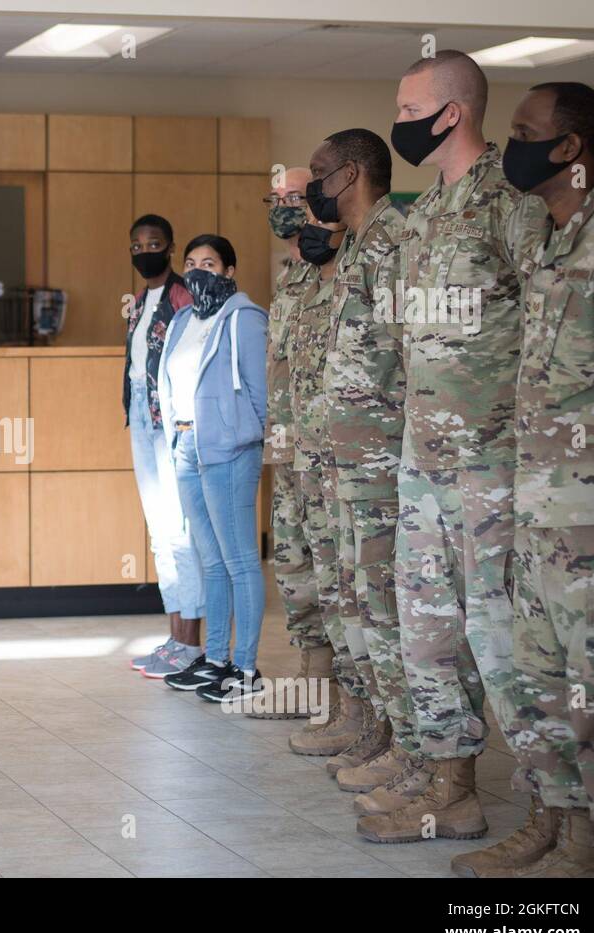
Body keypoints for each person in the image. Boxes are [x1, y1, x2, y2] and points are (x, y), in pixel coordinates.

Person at [359, 50, 546, 852]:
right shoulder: (422, 212)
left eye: (408, 109)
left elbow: (554, 319)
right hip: (422, 462)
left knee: (505, 641)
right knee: (426, 630)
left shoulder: (511, 202)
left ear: (451, 113)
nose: (397, 121)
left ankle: (558, 819)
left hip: (491, 466)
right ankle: (451, 790)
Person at [481, 82, 594, 878]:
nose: (516, 145)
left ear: (570, 149)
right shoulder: (539, 239)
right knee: (539, 677)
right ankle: (566, 831)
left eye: (527, 132)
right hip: (534, 503)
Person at [295, 132, 409, 789]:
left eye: (318, 175)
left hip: (387, 461)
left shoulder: (394, 241)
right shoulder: (358, 244)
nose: (312, 193)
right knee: (357, 601)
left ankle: (413, 751)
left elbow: (410, 354)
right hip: (349, 458)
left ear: (351, 173)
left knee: (388, 605)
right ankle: (372, 726)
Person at [158, 235, 269, 704]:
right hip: (187, 447)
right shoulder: (185, 319)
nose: (199, 270)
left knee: (241, 560)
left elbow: (262, 393)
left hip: (229, 450)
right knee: (212, 560)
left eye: (209, 262)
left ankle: (245, 667)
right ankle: (217, 658)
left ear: (228, 270)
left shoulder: (244, 318)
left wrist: (249, 440)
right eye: (191, 262)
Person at [251, 166, 332, 719]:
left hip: (332, 455)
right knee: (295, 570)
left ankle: (346, 700)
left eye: (293, 197)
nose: (281, 207)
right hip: (288, 452)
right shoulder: (289, 275)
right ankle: (311, 681)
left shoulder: (342, 269)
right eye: (273, 197)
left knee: (336, 577)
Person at [123, 214, 205, 678]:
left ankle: (191, 642)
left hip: (168, 418)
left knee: (179, 532)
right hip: (139, 415)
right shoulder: (138, 302)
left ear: (170, 247)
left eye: (153, 243)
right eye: (136, 246)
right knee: (159, 531)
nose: (144, 251)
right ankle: (174, 636)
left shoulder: (182, 297)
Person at [285, 209, 356, 749]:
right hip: (300, 449)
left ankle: (360, 718)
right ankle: (324, 697)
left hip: (353, 459)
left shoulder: (366, 264)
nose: (294, 213)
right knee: (307, 573)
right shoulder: (298, 280)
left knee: (356, 592)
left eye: (306, 200)